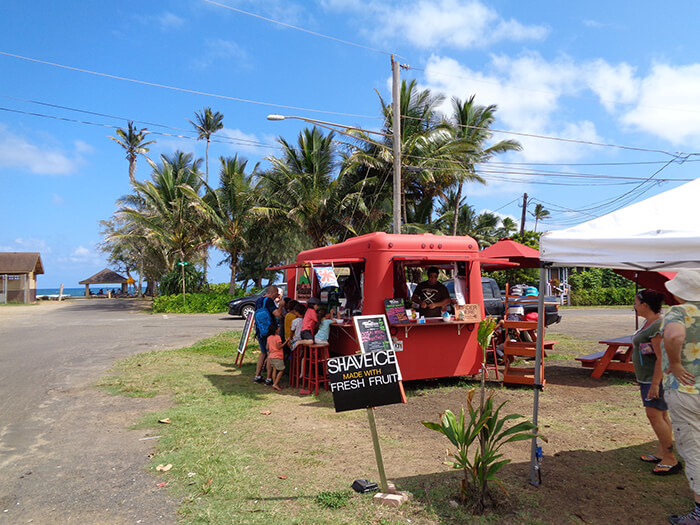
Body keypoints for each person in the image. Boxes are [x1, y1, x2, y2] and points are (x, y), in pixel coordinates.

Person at [661, 270, 700, 524]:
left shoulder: (679, 312)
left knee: (693, 448)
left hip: (686, 390)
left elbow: (674, 335)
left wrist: (675, 363)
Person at [632, 289, 678, 474]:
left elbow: (661, 358)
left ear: (644, 305)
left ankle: (670, 458)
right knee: (661, 415)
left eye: (635, 303)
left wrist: (654, 384)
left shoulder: (657, 325)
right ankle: (662, 451)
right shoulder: (648, 323)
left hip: (653, 379)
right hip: (647, 378)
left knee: (655, 416)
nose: (633, 306)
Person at [253, 286, 281, 385]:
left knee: (263, 352)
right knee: (270, 353)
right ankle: (269, 378)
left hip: (259, 330)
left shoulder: (258, 300)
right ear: (272, 293)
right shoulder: (269, 301)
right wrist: (281, 305)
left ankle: (257, 376)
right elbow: (277, 313)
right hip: (269, 332)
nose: (277, 296)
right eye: (276, 293)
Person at [266, 324, 288, 391]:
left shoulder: (269, 337)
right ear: (276, 330)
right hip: (277, 356)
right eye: (278, 327)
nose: (279, 328)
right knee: (281, 370)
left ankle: (275, 384)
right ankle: (275, 384)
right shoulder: (277, 337)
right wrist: (286, 341)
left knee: (274, 370)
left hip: (271, 356)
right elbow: (279, 347)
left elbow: (267, 347)